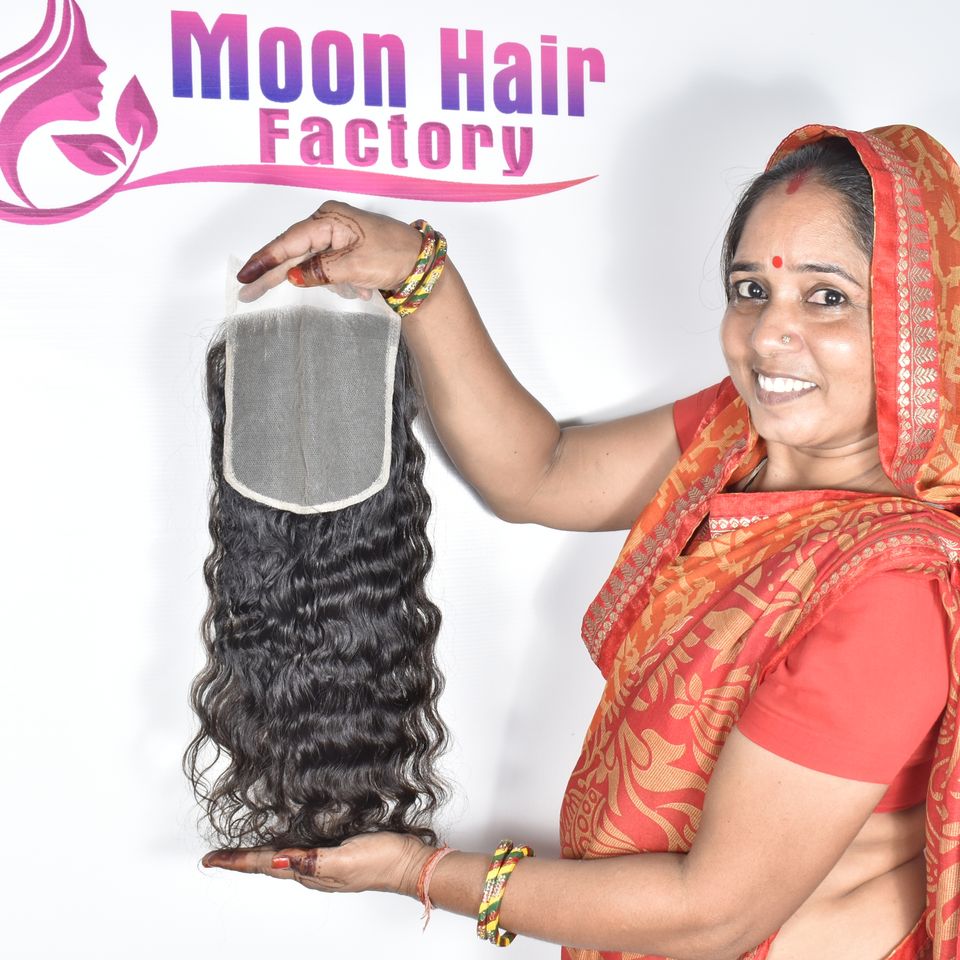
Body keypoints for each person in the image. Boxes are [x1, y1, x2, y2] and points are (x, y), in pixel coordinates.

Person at [201, 124, 960, 960]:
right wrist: (419, 273)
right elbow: (541, 472)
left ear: (920, 319)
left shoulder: (894, 592)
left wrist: (417, 873)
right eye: (751, 289)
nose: (768, 334)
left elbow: (713, 914)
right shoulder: (734, 439)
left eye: (827, 298)